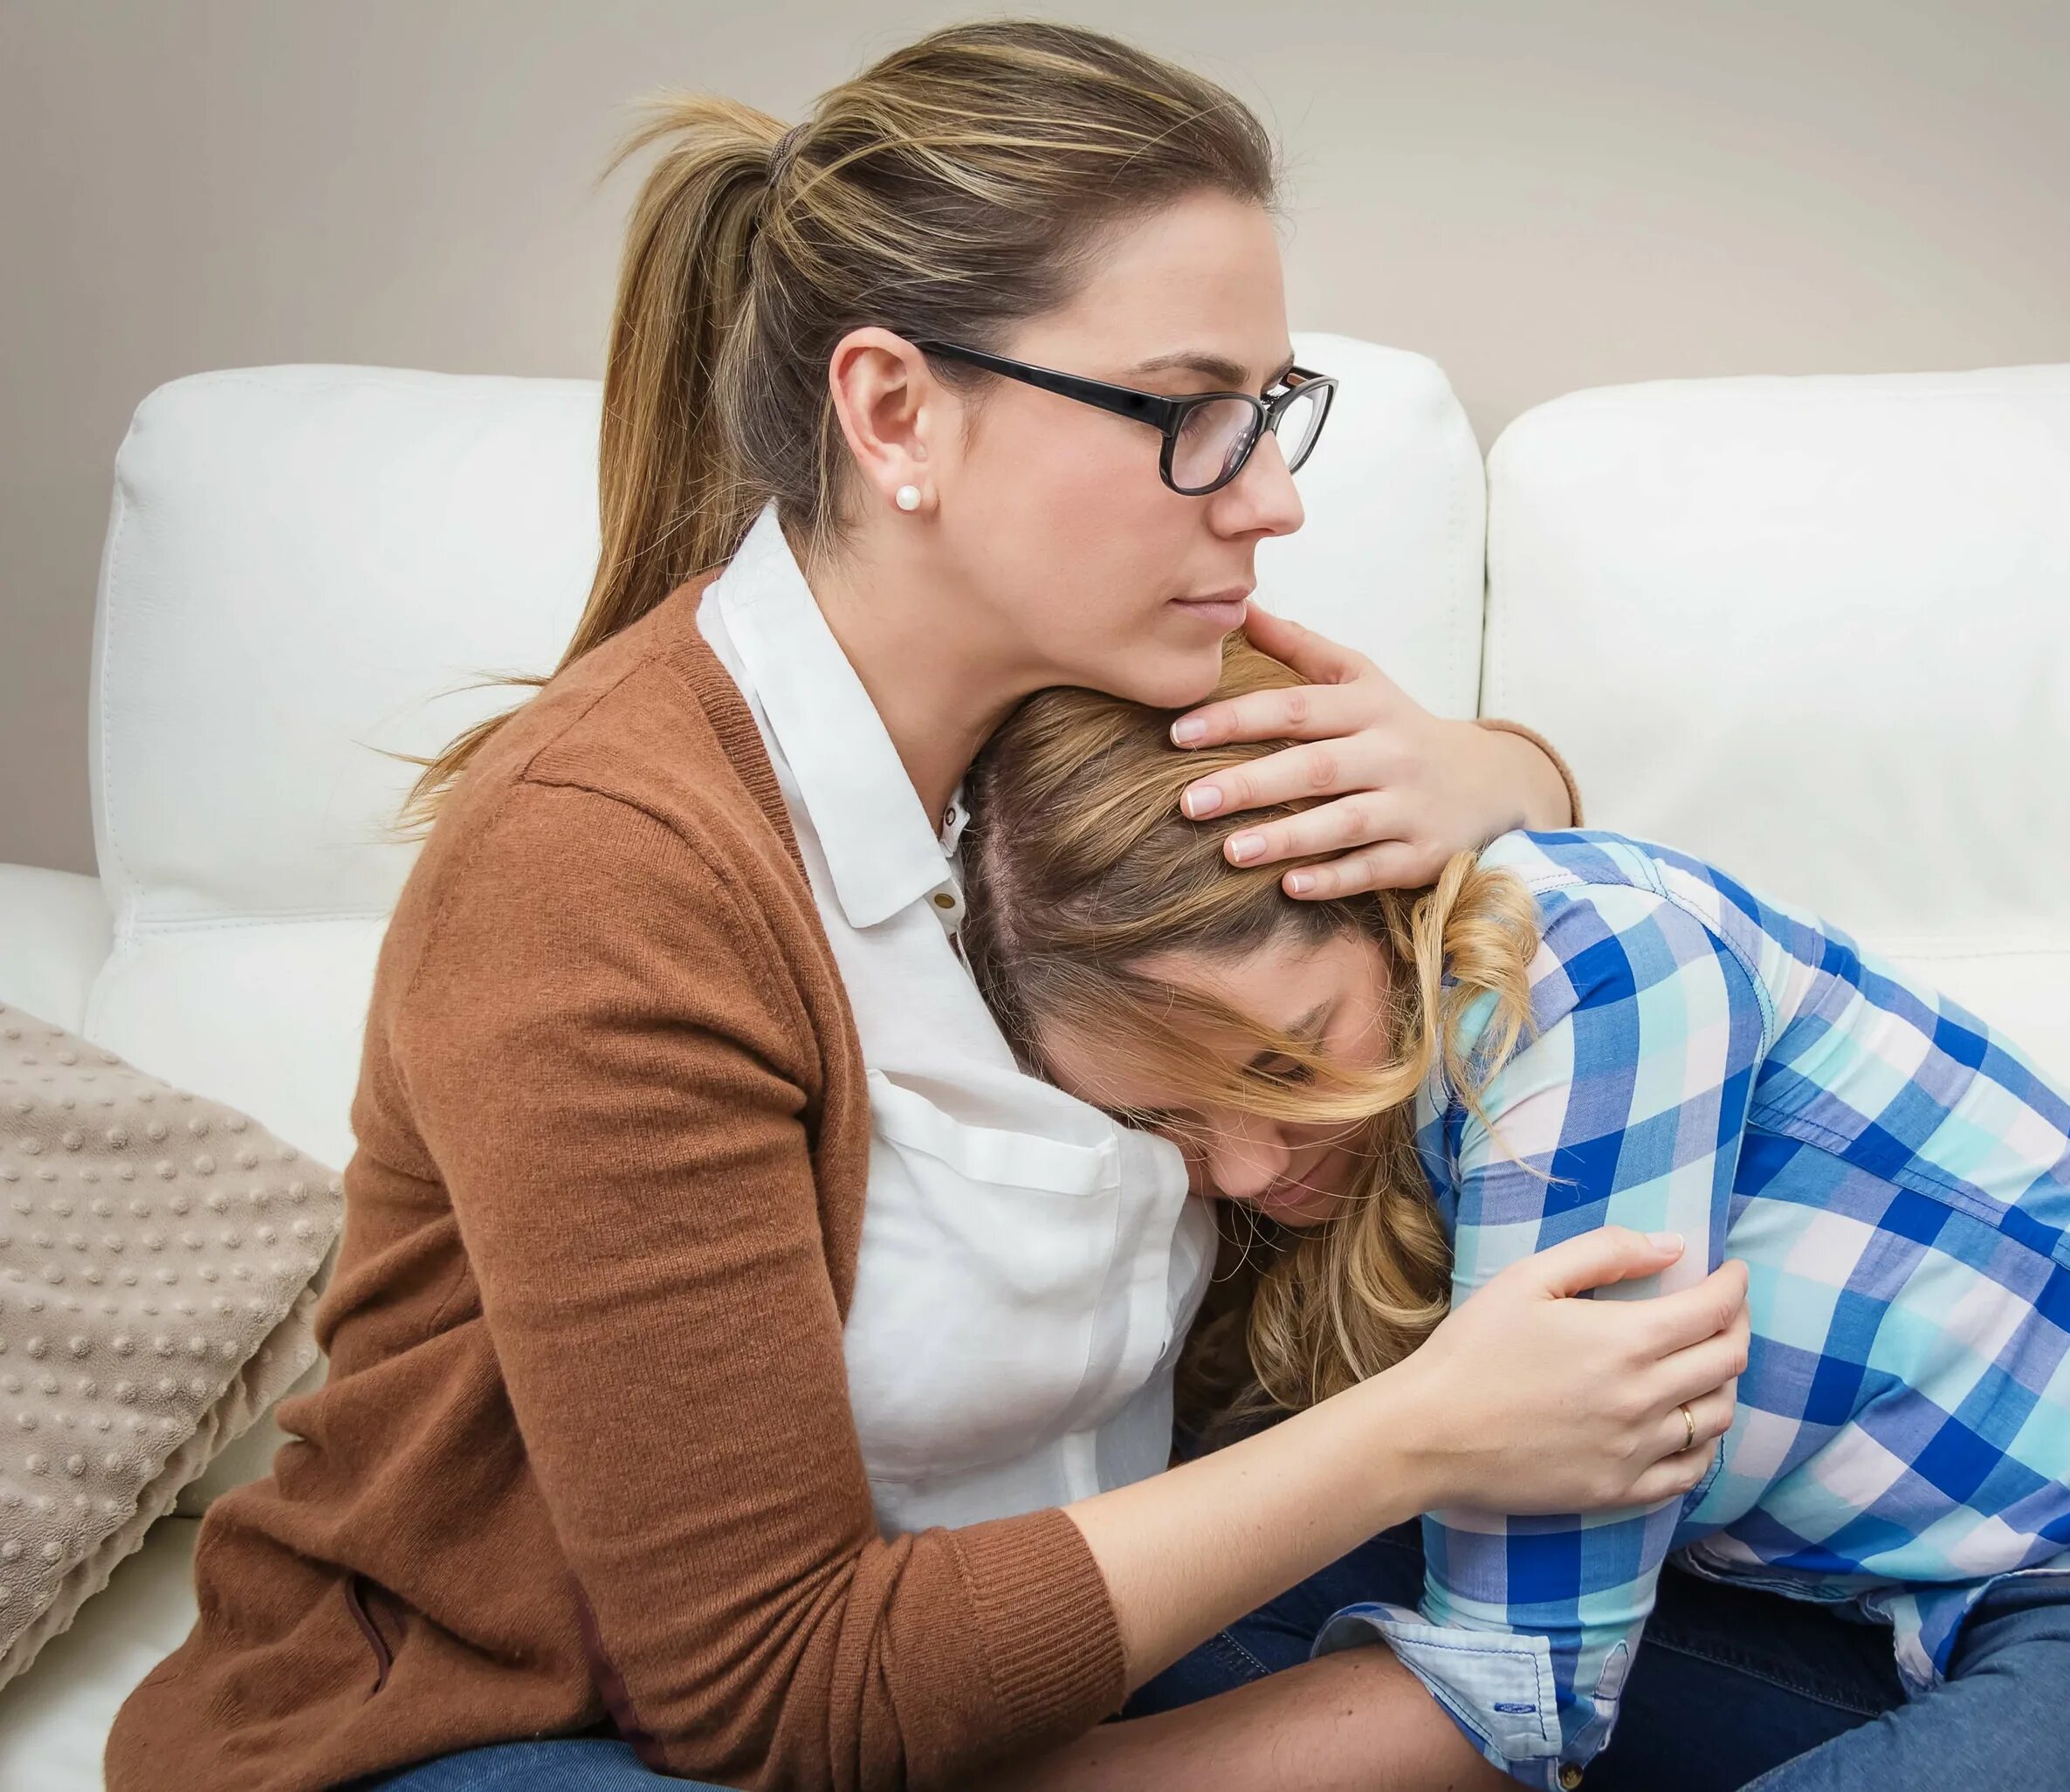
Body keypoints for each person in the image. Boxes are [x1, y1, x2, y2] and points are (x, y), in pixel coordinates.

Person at [104, 23, 1752, 1792]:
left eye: (1271, 408)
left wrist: (1498, 773)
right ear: (896, 411)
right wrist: (1417, 1442)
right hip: (516, 1732)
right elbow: (773, 1691)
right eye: (1188, 411)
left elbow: (1494, 873)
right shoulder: (598, 874)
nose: (1269, 493)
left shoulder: (1138, 697)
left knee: (1897, 1666)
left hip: (1025, 1635)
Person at [952, 641, 2070, 1792]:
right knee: (1166, 1611)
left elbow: (1523, 1691)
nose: (1239, 1165)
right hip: (1867, 1630)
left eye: (1279, 1055)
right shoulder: (1320, 1147)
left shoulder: (1579, 968)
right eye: (1163, 1114)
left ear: (1383, 902)